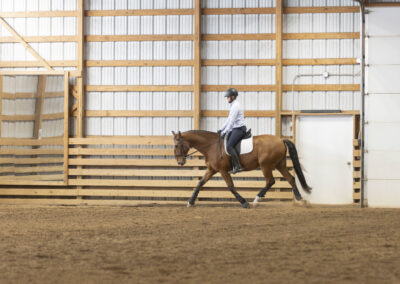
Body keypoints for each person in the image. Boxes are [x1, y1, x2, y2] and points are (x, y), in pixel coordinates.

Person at [218, 88, 247, 174]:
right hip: (235, 128)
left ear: (233, 97)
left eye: (228, 97)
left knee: (229, 146)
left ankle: (237, 166)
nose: (227, 99)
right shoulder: (233, 105)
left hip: (239, 129)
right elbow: (228, 120)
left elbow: (231, 122)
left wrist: (225, 132)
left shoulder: (235, 106)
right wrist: (221, 129)